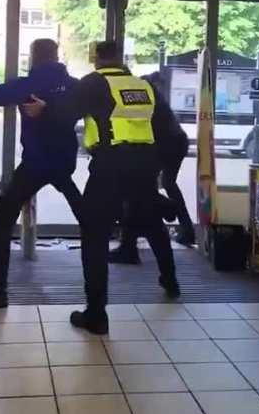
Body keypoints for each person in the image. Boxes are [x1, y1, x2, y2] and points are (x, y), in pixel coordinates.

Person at [24, 40, 180, 335]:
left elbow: (65, 113)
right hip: (145, 165)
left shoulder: (94, 83)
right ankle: (170, 280)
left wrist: (44, 108)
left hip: (110, 166)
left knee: (94, 235)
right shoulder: (143, 86)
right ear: (120, 58)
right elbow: (163, 127)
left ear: (97, 59)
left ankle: (96, 313)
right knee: (151, 221)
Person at [0, 38, 82, 308]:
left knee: (4, 216)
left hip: (35, 165)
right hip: (64, 163)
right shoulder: (76, 85)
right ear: (57, 56)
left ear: (33, 57)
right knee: (86, 216)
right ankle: (96, 291)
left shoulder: (28, 84)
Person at [109, 86, 195, 265]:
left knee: (138, 192)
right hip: (177, 140)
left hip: (164, 144)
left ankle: (165, 209)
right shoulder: (151, 91)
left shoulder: (136, 93)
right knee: (164, 185)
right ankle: (185, 228)